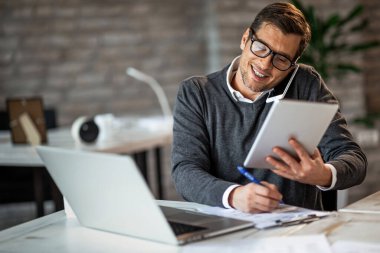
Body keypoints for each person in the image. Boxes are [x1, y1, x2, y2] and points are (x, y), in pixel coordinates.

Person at [171, 2, 367, 213]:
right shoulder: (197, 92)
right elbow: (185, 171)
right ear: (245, 38)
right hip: (226, 229)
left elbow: (354, 159)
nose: (265, 65)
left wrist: (323, 174)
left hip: (297, 232)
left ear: (293, 63)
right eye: (261, 48)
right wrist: (235, 196)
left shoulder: (305, 84)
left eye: (281, 59)